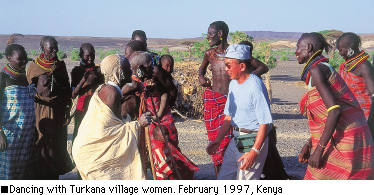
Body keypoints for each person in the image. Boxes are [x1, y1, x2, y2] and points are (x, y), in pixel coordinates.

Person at [296, 32, 374, 179]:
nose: (296, 51)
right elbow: (326, 115)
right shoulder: (326, 68)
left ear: (309, 47)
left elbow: (335, 111)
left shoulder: (318, 70)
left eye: (298, 47)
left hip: (348, 134)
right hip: (345, 130)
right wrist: (310, 142)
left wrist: (318, 149)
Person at [199, 21, 269, 176]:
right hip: (235, 139)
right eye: (225, 65)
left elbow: (265, 122)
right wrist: (217, 140)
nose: (225, 69)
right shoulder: (235, 85)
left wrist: (254, 151)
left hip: (250, 140)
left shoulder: (254, 85)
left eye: (229, 65)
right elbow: (229, 116)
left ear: (242, 66)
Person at [72, 54, 152, 180]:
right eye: (127, 69)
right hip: (92, 152)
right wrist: (138, 124)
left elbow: (112, 123)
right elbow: (111, 133)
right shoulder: (111, 93)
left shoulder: (109, 88)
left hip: (87, 149)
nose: (130, 72)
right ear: (119, 70)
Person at [129, 51, 198, 179]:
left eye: (170, 66)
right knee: (156, 151)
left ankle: (176, 177)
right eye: (166, 66)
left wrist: (160, 114)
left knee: (169, 147)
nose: (169, 69)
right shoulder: (136, 76)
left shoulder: (156, 73)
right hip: (148, 118)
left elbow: (168, 92)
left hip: (161, 117)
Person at [26, 36, 73, 180]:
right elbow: (27, 90)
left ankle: (53, 177)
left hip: (58, 111)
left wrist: (67, 109)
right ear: (43, 49)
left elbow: (66, 89)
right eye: (51, 48)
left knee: (57, 144)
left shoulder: (60, 65)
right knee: (42, 142)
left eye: (56, 47)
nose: (55, 50)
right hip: (41, 112)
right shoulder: (34, 68)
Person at [0, 44, 36, 179]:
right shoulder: (2, 77)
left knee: (23, 171)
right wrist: (0, 134)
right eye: (20, 59)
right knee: (8, 171)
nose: (24, 61)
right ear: (9, 58)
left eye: (25, 58)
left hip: (26, 135)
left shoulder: (23, 77)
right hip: (10, 135)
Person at [336, 33, 374, 134]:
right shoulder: (345, 66)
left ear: (350, 50)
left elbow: (373, 94)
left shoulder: (364, 66)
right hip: (349, 114)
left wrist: (371, 121)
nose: (339, 53)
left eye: (341, 50)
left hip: (365, 115)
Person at [70, 43, 103, 140]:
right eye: (87, 56)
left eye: (92, 55)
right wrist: (82, 81)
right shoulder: (76, 71)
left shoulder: (99, 70)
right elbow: (73, 95)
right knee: (80, 132)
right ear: (81, 55)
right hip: (82, 107)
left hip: (95, 106)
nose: (90, 58)